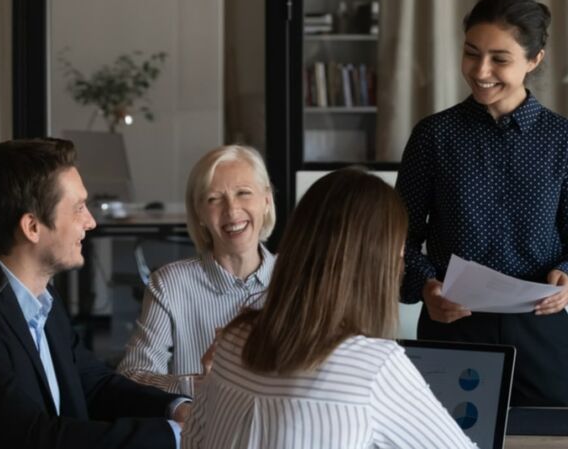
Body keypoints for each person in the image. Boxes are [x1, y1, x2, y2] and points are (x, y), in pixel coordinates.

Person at [395, 0, 568, 407]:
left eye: (500, 59)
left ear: (534, 60)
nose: (481, 70)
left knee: (551, 440)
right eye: (472, 54)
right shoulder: (434, 136)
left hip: (538, 331)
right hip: (451, 327)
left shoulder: (563, 140)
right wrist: (426, 287)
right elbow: (398, 239)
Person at [182, 168, 475, 449]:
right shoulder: (373, 367)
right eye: (399, 249)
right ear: (382, 261)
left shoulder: (234, 339)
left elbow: (192, 441)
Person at [0, 138, 188, 448]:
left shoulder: (43, 299)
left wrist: (177, 408)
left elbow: (93, 383)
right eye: (78, 209)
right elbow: (28, 436)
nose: (90, 222)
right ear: (32, 227)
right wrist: (177, 437)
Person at [118, 145, 276, 392]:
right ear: (199, 213)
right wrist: (198, 384)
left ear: (266, 201)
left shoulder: (300, 280)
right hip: (200, 427)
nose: (232, 210)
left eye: (243, 193)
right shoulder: (169, 284)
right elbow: (133, 377)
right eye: (214, 199)